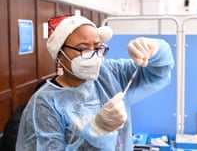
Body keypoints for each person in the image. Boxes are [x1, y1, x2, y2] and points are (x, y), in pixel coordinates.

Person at [16, 14, 174, 151]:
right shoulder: (45, 104)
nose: (93, 55)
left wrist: (155, 50)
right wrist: (97, 131)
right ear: (60, 54)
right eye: (83, 48)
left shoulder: (110, 74)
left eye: (98, 48)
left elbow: (157, 74)